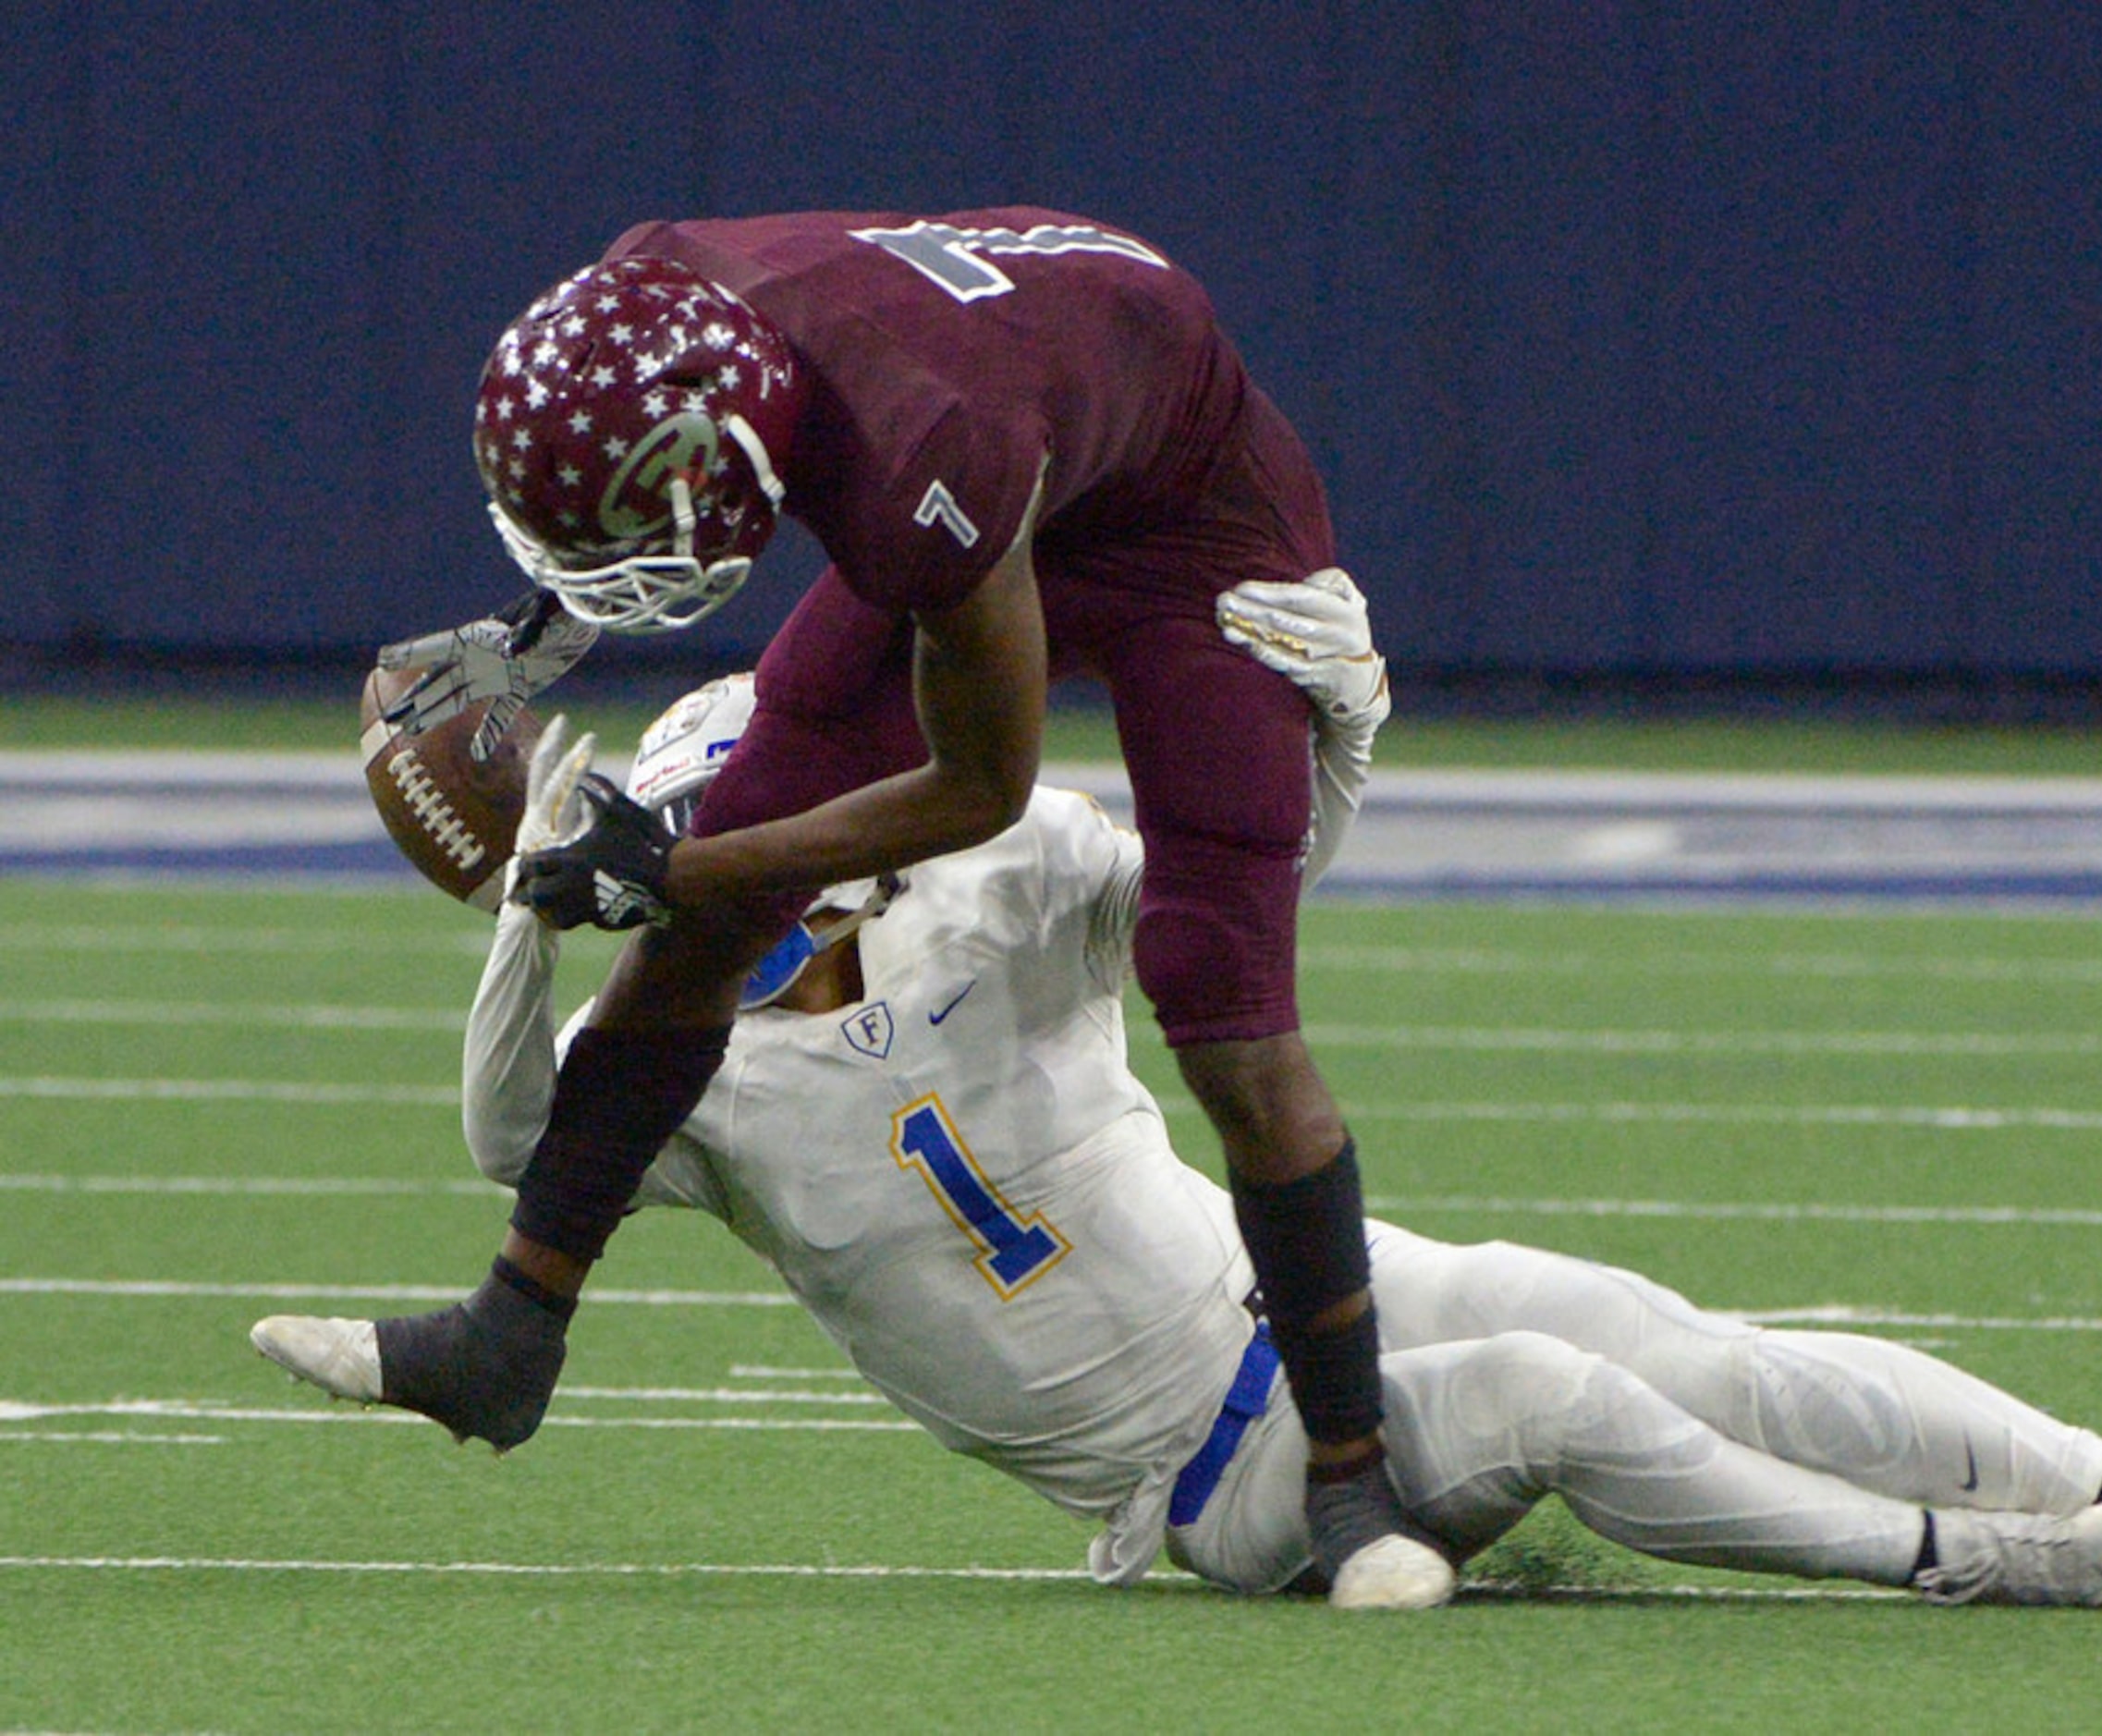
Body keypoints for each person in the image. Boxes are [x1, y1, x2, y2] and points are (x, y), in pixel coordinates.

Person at [255, 672, 2102, 1615]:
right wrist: (525, 913)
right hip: (1206, 1474)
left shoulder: (988, 880)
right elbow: (512, 1139)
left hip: (1281, 1294)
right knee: (1548, 1393)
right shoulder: (679, 1076)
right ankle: (1988, 1566)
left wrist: (1325, 755)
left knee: (1652, 1327)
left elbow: (1233, 916)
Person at [368, 210, 1439, 1603]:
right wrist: (548, 631)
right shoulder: (670, 287)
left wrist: (672, 866)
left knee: (1221, 1005)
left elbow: (981, 788)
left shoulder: (923, 448)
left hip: (1193, 524)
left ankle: (1349, 1472)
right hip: (1020, 437)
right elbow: (663, 444)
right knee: (719, 921)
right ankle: (512, 1329)